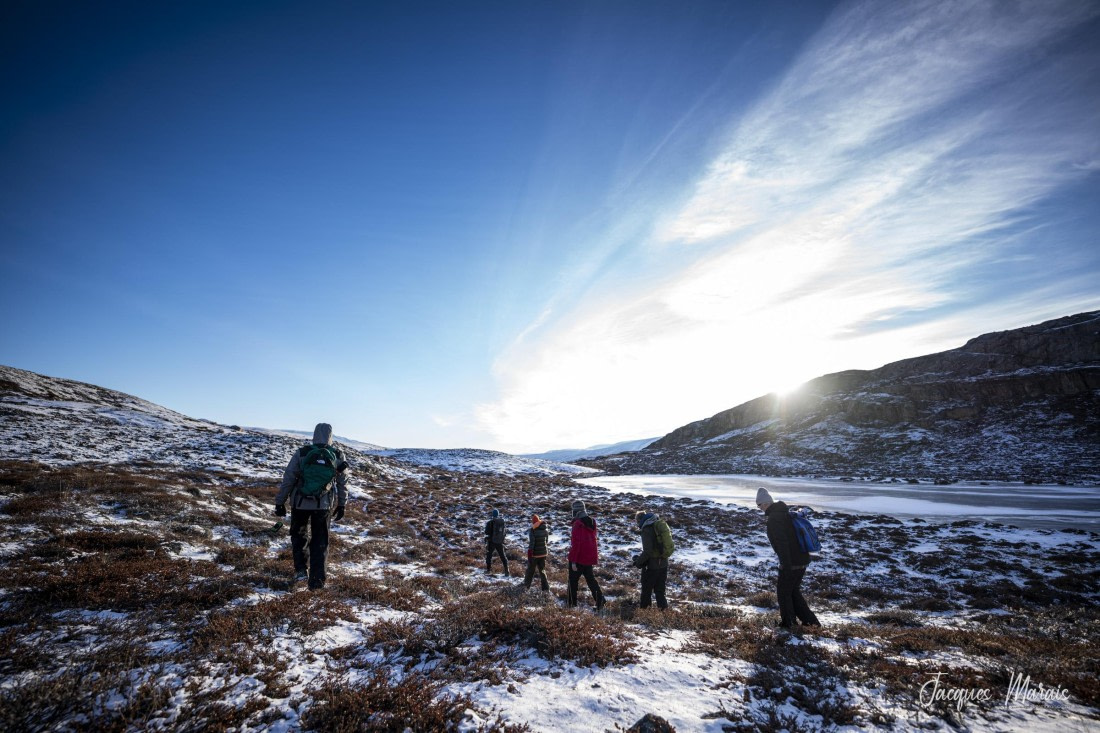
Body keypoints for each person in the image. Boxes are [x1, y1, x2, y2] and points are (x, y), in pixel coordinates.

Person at [274, 423, 349, 590]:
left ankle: (301, 570)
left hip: (299, 504)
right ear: (331, 436)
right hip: (323, 505)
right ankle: (317, 581)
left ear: (314, 434)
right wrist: (342, 504)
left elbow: (289, 479)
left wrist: (280, 502)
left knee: (299, 536)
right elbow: (343, 483)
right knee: (320, 541)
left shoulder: (302, 452)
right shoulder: (337, 455)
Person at [756, 487, 820, 629]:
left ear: (766, 503)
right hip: (802, 559)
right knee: (793, 592)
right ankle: (811, 623)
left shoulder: (774, 519)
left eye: (759, 505)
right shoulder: (786, 513)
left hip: (792, 562)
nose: (759, 508)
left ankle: (789, 624)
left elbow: (782, 543)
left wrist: (785, 564)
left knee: (784, 593)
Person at [567, 500, 605, 609]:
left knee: (572, 582)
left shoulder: (577, 524)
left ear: (576, 511)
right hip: (589, 557)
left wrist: (573, 561)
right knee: (591, 580)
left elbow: (577, 543)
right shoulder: (592, 521)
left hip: (579, 558)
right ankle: (601, 602)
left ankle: (571, 605)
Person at [633, 511, 669, 610]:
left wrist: (638, 562)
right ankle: (664, 614)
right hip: (663, 563)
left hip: (652, 566)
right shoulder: (657, 525)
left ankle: (645, 614)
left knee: (646, 591)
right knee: (660, 591)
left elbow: (648, 551)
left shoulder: (646, 529)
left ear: (639, 520)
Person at [523, 514, 550, 591]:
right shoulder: (545, 530)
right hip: (544, 553)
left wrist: (530, 553)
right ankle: (546, 588)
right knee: (542, 570)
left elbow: (532, 543)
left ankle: (526, 586)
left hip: (535, 554)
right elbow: (546, 541)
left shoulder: (533, 530)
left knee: (530, 571)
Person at [485, 508, 509, 576]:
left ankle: (488, 570)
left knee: (489, 556)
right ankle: (507, 571)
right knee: (503, 556)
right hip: (500, 542)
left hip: (491, 542)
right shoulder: (502, 522)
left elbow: (486, 532)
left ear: (492, 514)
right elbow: (505, 533)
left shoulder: (490, 522)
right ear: (498, 514)